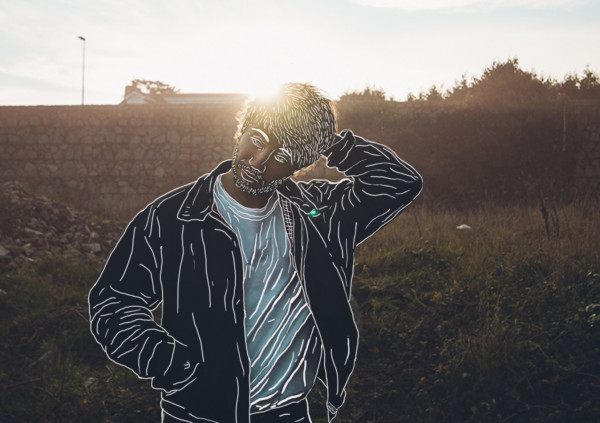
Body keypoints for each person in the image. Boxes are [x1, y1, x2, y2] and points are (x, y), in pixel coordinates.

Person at [88, 83, 423, 422]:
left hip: (290, 414)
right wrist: (172, 365)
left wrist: (327, 141)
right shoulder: (173, 217)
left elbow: (399, 183)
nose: (258, 161)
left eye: (282, 156)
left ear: (300, 165)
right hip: (195, 415)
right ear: (242, 129)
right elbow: (113, 303)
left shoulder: (319, 215)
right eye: (258, 139)